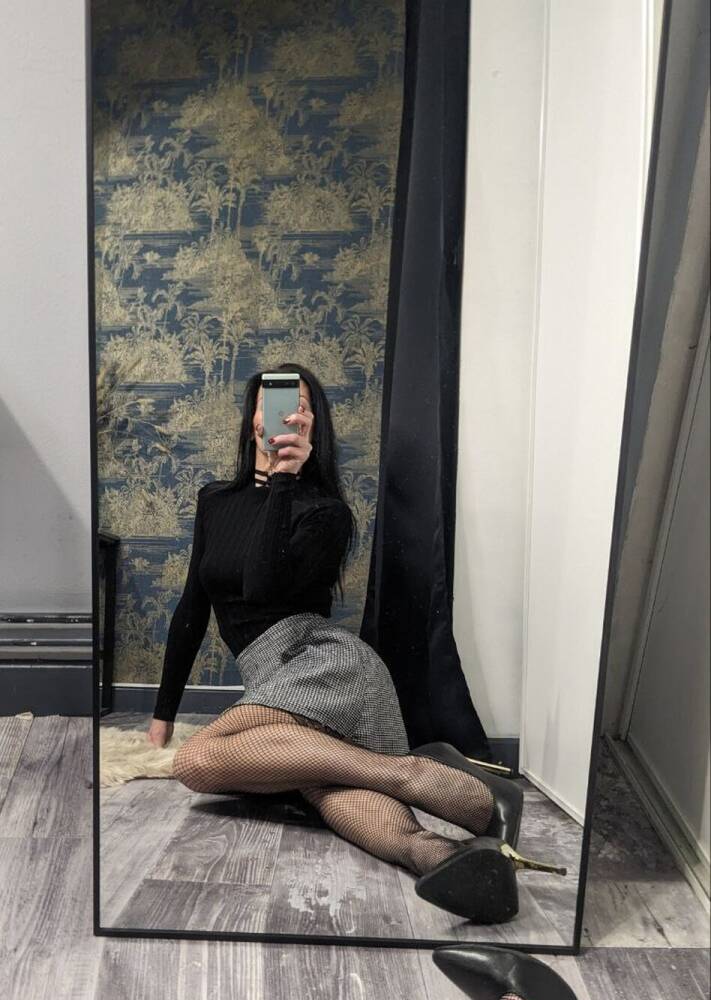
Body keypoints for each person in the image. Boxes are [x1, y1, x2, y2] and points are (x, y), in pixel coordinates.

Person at [147, 362, 552, 922]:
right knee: (328, 790)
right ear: (251, 419)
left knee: (198, 761)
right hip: (275, 678)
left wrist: (284, 481)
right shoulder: (215, 500)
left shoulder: (326, 513)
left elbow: (262, 587)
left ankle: (414, 774)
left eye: (299, 406)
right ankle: (447, 857)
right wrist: (163, 712)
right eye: (269, 402)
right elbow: (193, 607)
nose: (283, 414)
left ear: (314, 425)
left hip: (325, 664)